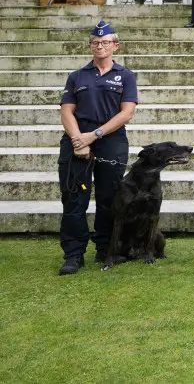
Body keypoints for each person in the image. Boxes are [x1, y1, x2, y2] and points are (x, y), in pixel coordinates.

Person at [56, 21, 138, 275]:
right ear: (90, 46)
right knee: (74, 199)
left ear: (116, 46)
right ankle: (73, 254)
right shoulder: (77, 76)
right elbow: (66, 110)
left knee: (108, 198)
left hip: (110, 140)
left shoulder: (125, 76)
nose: (99, 46)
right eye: (95, 43)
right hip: (77, 140)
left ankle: (105, 248)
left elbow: (127, 113)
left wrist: (95, 135)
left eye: (105, 42)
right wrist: (78, 139)